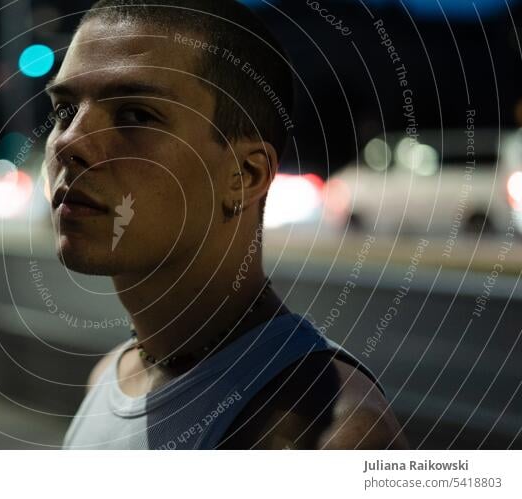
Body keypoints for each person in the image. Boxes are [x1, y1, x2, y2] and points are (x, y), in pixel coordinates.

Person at [44, 0, 408, 449]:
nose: (69, 142)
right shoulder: (109, 379)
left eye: (135, 115)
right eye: (64, 112)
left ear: (245, 176)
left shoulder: (330, 434)